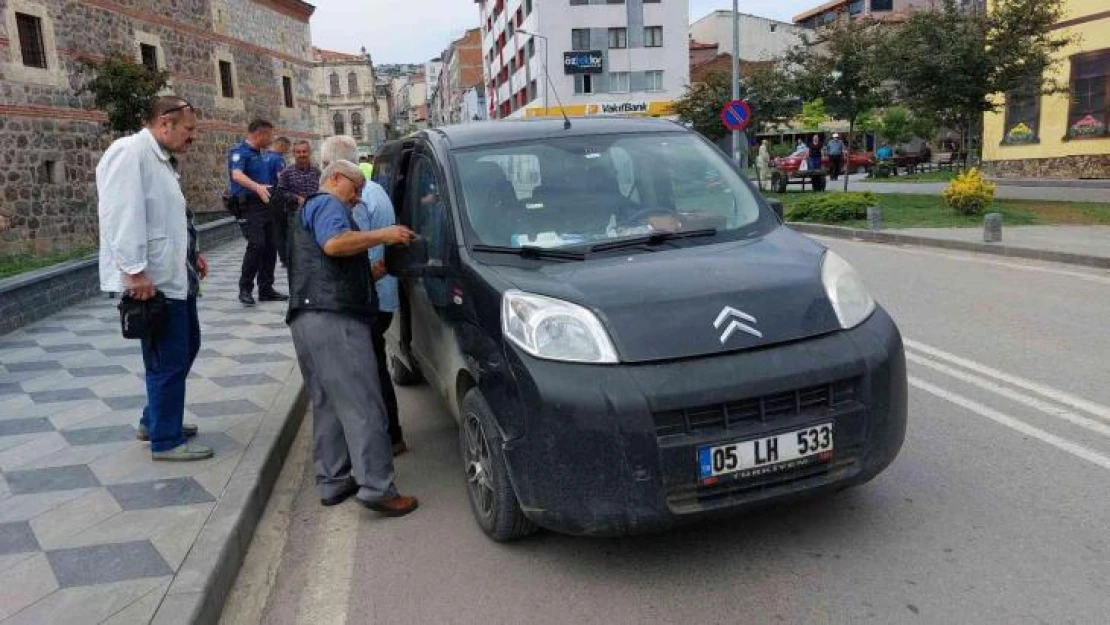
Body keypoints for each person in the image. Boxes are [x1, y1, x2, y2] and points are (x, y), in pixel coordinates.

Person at [286, 158, 419, 515]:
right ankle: (378, 488)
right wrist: (384, 234)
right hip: (336, 321)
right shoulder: (327, 202)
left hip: (308, 319)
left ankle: (333, 480)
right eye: (356, 188)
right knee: (364, 403)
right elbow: (333, 244)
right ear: (336, 179)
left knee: (328, 403)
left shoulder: (310, 209)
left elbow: (327, 264)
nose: (358, 198)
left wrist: (373, 271)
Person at [97, 96, 212, 462]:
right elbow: (121, 214)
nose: (192, 137)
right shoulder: (130, 152)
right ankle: (166, 439)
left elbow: (167, 216)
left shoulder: (160, 158)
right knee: (167, 358)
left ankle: (155, 419)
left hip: (174, 274)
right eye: (188, 129)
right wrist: (134, 270)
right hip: (153, 280)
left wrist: (191, 255)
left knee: (185, 347)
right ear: (166, 123)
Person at [323, 136, 408, 455]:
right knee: (373, 367)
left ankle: (386, 437)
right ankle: (391, 435)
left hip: (368, 294)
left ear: (337, 170)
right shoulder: (376, 190)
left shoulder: (353, 199)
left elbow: (348, 246)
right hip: (381, 295)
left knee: (367, 373)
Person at [228, 119, 287, 307]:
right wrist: (257, 188)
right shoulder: (239, 152)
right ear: (259, 134)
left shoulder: (262, 155)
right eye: (269, 135)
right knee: (257, 244)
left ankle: (266, 289)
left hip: (266, 205)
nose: (272, 139)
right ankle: (245, 288)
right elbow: (236, 175)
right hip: (249, 205)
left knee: (271, 246)